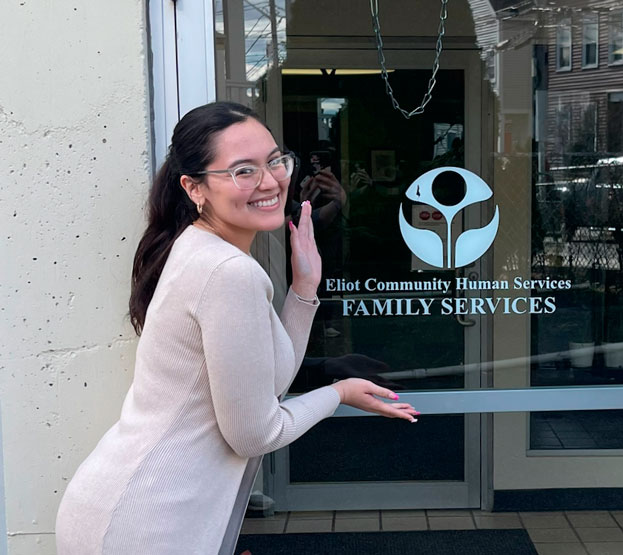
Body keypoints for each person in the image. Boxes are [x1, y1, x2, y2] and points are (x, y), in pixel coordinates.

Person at [54, 101, 419, 554]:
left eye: (274, 161)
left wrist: (304, 288)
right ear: (195, 187)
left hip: (140, 510)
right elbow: (256, 433)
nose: (270, 181)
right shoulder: (228, 271)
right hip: (147, 522)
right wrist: (338, 394)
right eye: (243, 170)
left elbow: (267, 383)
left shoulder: (201, 250)